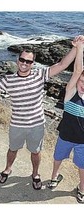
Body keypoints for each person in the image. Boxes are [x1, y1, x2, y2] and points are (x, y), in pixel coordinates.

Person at [0, 35, 83, 190]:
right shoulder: (8, 80)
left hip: (37, 125)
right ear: (18, 61)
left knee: (36, 152)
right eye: (22, 60)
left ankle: (35, 174)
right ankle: (8, 169)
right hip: (16, 124)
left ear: (32, 63)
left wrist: (76, 47)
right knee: (13, 149)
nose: (24, 63)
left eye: (28, 61)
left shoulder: (39, 75)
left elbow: (62, 64)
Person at [47, 38, 84, 203]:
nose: (83, 84)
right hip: (65, 136)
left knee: (82, 166)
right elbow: (77, 70)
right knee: (57, 158)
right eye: (82, 81)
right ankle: (54, 177)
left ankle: (82, 189)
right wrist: (80, 48)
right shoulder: (70, 93)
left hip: (83, 142)